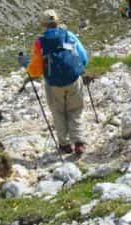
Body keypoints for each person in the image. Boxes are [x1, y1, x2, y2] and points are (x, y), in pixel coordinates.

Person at [25, 10, 89, 156]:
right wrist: (80, 68)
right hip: (73, 78)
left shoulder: (40, 41)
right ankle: (78, 142)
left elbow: (35, 69)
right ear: (57, 21)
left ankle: (64, 145)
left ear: (43, 24)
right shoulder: (68, 34)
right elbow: (83, 56)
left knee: (58, 112)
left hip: (53, 83)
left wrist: (27, 67)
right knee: (75, 110)